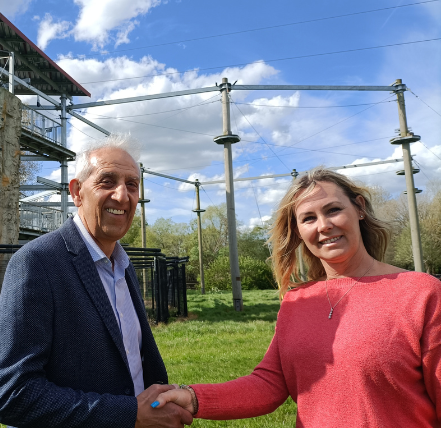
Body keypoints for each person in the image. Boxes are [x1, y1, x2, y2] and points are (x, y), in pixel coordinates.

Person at [153, 168, 441, 427]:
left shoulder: (421, 293)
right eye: (308, 218)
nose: (323, 225)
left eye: (333, 210)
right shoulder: (297, 301)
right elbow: (269, 384)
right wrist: (192, 397)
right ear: (299, 231)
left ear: (359, 208)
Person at [0, 134, 192, 428]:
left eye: (132, 185)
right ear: (77, 192)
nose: (122, 196)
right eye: (107, 181)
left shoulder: (124, 266)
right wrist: (129, 414)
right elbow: (15, 396)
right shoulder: (38, 262)